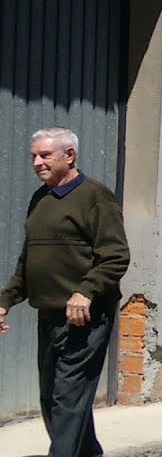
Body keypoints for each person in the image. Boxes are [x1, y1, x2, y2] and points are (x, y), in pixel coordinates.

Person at [0, 128, 130, 457]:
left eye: (45, 155)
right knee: (53, 398)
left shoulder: (95, 197)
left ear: (69, 155)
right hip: (49, 314)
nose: (37, 162)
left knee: (68, 400)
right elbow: (29, 261)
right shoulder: (40, 199)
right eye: (34, 156)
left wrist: (86, 291)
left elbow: (116, 256)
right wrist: (5, 300)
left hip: (86, 317)